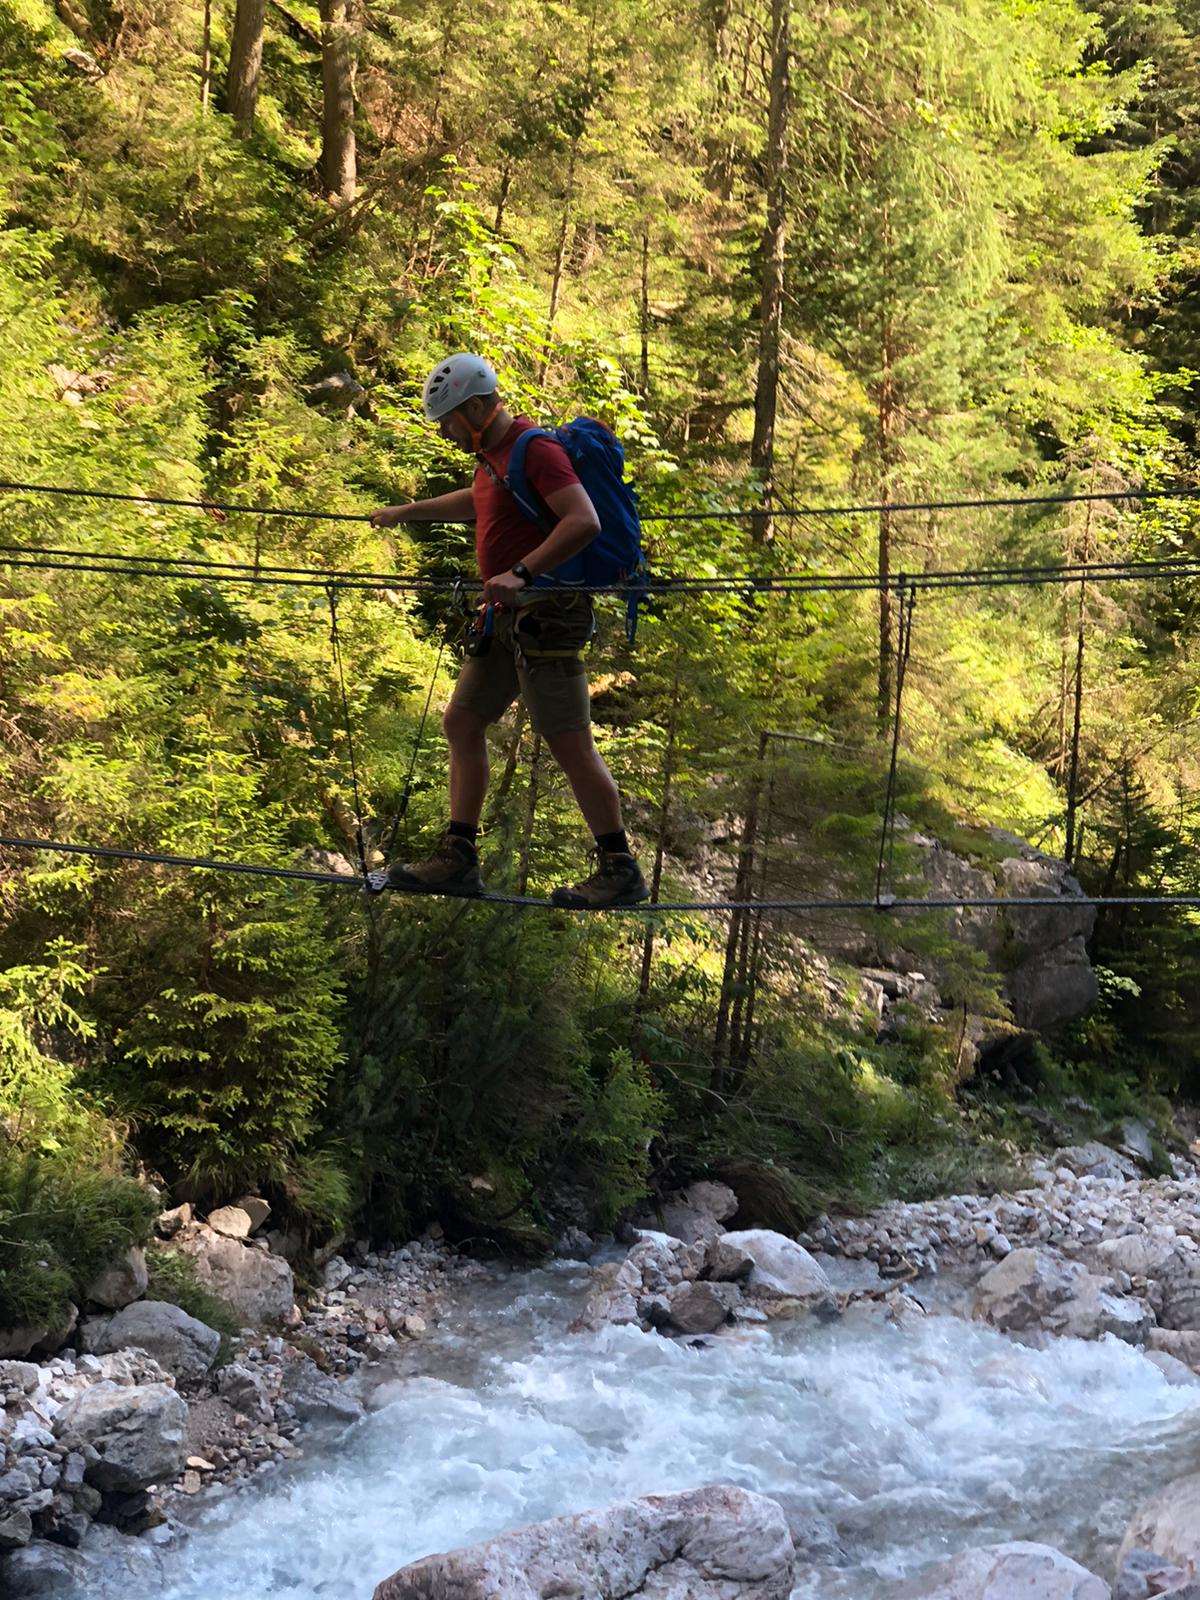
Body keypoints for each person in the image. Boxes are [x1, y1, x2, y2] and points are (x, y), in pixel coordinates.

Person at [370, 353, 649, 909]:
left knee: (568, 741)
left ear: (475, 407)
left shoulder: (535, 448)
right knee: (462, 721)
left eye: (449, 420)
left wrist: (521, 571)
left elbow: (583, 520)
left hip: (547, 614)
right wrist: (407, 512)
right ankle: (457, 858)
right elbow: (479, 504)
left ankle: (620, 868)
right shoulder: (491, 455)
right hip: (505, 619)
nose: (447, 433)